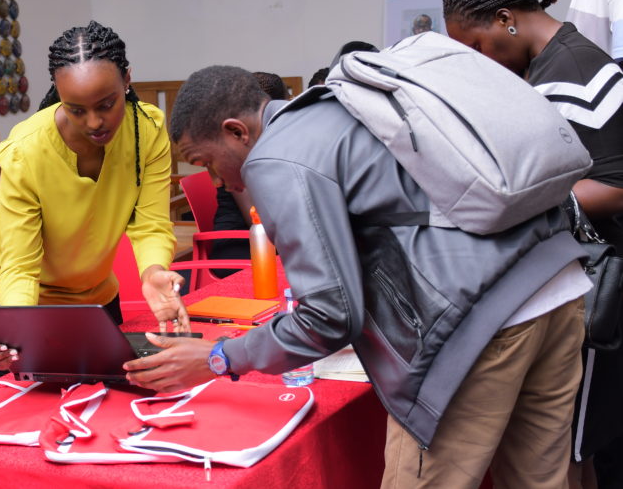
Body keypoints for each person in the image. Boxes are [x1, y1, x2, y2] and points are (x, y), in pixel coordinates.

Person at [124, 65, 589, 489]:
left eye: (206, 162)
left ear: (237, 132)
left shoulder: (274, 157)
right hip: (557, 282)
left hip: (480, 323)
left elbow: (328, 316)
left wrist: (220, 357)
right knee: (540, 479)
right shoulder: (338, 105)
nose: (218, 182)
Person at [443, 0, 623, 489]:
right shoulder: (550, 65)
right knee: (569, 448)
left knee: (571, 452)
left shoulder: (571, 71)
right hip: (579, 278)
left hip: (600, 285)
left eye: (478, 44)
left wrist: (519, 204)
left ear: (506, 18)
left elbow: (617, 185)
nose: (479, 60)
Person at [0, 21, 189, 373]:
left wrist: (152, 272)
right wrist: (19, 325)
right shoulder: (26, 151)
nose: (94, 122)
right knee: (30, 407)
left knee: (115, 395)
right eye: (76, 109)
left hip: (94, 290)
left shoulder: (146, 129)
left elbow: (150, 225)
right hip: (20, 294)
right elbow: (19, 265)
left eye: (107, 104)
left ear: (127, 80)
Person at [209, 71, 289, 277]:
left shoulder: (275, 143)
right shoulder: (235, 151)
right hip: (240, 246)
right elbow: (258, 218)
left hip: (271, 239)